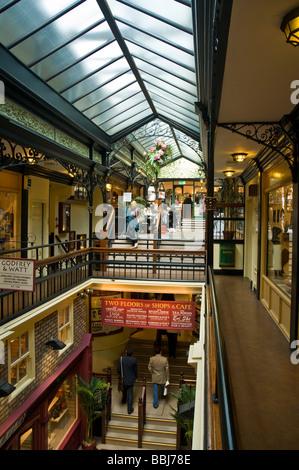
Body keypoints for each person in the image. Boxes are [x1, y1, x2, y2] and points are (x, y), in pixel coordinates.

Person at [117, 347, 138, 415]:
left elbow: (118, 369)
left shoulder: (121, 359)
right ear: (132, 353)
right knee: (130, 393)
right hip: (131, 378)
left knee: (124, 388)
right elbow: (135, 370)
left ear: (126, 352)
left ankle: (123, 400)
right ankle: (129, 410)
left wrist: (120, 375)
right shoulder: (134, 360)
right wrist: (136, 377)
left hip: (123, 378)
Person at [148, 344, 169, 409]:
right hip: (162, 375)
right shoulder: (165, 359)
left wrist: (152, 372)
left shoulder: (152, 359)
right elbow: (167, 370)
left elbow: (149, 367)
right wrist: (168, 378)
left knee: (155, 389)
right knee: (163, 386)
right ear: (161, 351)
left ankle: (155, 404)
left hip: (155, 376)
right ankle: (163, 395)